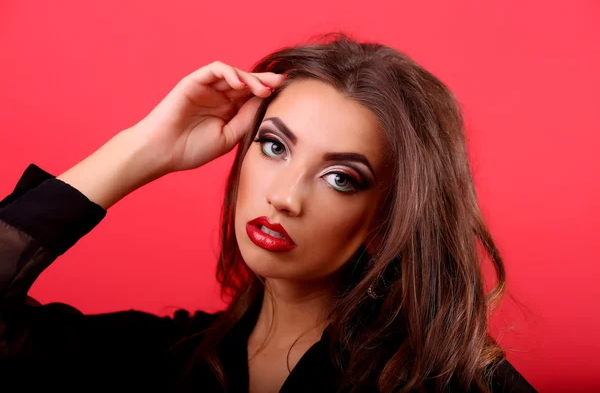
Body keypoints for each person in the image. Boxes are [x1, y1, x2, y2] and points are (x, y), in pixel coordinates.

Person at [0, 33, 537, 392]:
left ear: (389, 217)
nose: (285, 197)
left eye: (340, 178)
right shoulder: (163, 358)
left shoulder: (449, 381)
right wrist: (142, 147)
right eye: (275, 147)